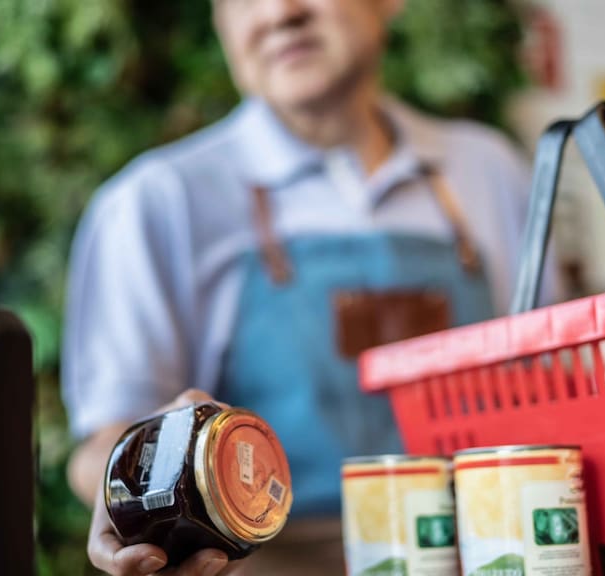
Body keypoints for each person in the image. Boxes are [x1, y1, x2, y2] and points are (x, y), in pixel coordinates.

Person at [62, 0, 538, 574]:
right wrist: (123, 498)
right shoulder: (156, 203)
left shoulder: (490, 171)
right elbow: (104, 445)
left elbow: (552, 388)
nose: (278, 12)